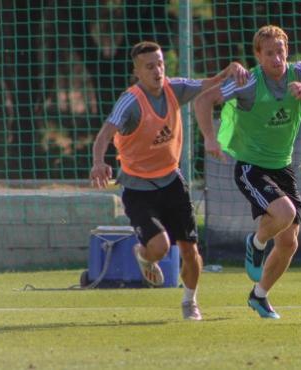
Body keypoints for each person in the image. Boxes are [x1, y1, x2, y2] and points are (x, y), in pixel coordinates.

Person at [90, 41, 248, 321]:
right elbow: (104, 135)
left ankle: (190, 302)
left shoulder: (175, 88)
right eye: (149, 66)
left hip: (172, 181)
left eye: (160, 63)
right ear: (137, 72)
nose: (157, 70)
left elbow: (208, 83)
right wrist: (99, 162)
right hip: (138, 188)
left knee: (190, 250)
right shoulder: (130, 101)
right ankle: (144, 254)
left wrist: (230, 70)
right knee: (160, 247)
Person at [194, 25, 301, 319]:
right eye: (269, 53)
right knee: (283, 215)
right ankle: (256, 242)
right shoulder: (248, 83)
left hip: (282, 167)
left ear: (287, 49)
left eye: (280, 51)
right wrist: (210, 137)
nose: (277, 58)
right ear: (258, 56)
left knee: (289, 242)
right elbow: (203, 100)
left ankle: (259, 296)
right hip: (251, 168)